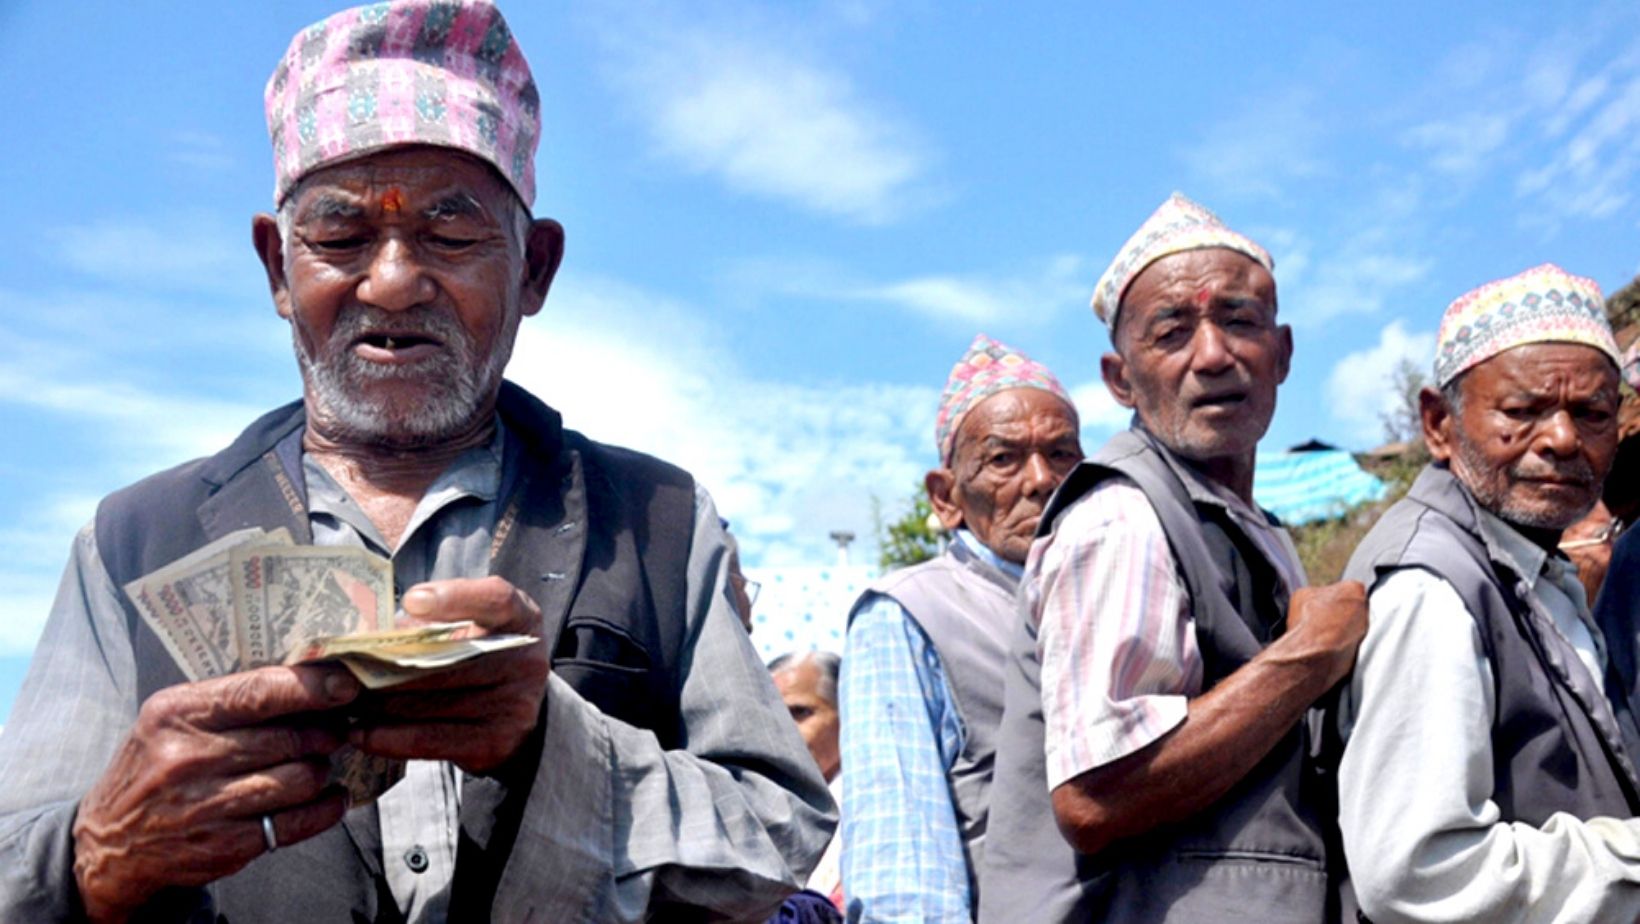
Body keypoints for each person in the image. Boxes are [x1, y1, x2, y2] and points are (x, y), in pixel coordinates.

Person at [0, 2, 831, 921]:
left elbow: (777, 841)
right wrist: (93, 849)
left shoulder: (660, 519)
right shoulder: (132, 542)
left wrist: (553, 745)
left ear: (535, 270)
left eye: (451, 232)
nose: (393, 280)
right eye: (341, 236)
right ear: (278, 268)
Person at [980, 193, 1368, 923]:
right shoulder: (1121, 518)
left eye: (1238, 320)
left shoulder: (1257, 530)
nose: (1213, 354)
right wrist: (1310, 655)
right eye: (1172, 331)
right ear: (1120, 379)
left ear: (1281, 354)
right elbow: (1098, 796)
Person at [1339, 264, 1640, 922]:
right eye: (1522, 411)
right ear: (1438, 424)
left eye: (1590, 413)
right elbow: (1419, 872)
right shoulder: (1430, 585)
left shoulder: (1528, 564)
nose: (1562, 439)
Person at [840, 333, 1082, 922]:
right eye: (1004, 459)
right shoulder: (906, 613)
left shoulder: (1112, 593)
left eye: (1061, 454)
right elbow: (902, 861)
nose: (1041, 480)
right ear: (946, 497)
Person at [771, 651, 845, 912]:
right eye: (771, 716)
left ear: (847, 714)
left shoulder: (876, 810)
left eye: (799, 712)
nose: (782, 730)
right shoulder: (754, 803)